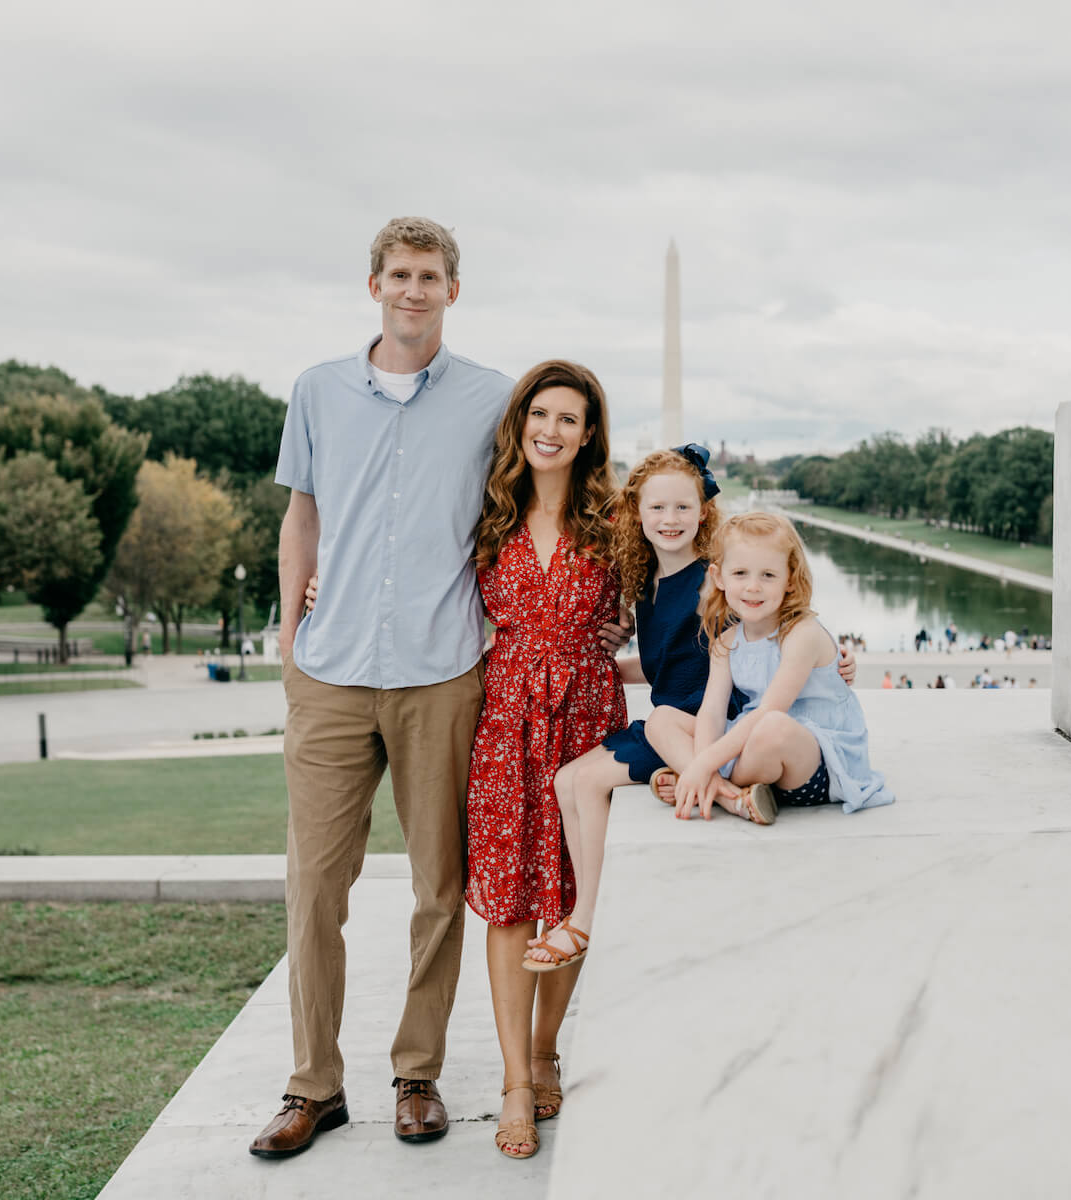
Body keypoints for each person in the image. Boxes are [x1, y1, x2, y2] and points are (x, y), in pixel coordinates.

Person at [257, 218, 625, 1162]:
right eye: (399, 275)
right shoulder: (317, 391)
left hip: (443, 674)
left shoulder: (491, 401)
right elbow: (302, 517)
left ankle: (416, 1074)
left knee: (441, 885)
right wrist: (289, 632)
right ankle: (313, 1085)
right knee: (314, 887)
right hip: (333, 671)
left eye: (430, 277)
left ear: (452, 291)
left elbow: (546, 502)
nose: (413, 291)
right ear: (372, 283)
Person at [536, 445, 861, 973]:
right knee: (566, 780)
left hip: (704, 718)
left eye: (683, 508)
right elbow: (671, 661)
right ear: (636, 514)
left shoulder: (714, 579)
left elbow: (771, 626)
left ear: (703, 512)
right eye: (658, 509)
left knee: (587, 781)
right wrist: (614, 669)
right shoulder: (648, 585)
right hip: (677, 713)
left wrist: (839, 660)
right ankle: (587, 911)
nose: (670, 520)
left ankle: (586, 918)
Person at [463, 360, 625, 1159]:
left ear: (589, 433)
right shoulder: (486, 513)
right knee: (508, 899)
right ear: (520, 422)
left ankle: (545, 1047)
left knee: (567, 893)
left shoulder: (614, 521)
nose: (551, 430)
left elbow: (702, 585)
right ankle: (513, 1084)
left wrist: (811, 651)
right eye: (541, 414)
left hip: (587, 716)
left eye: (569, 418)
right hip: (503, 724)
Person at [673, 512, 894, 822]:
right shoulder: (726, 640)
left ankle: (700, 782)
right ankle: (726, 794)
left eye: (768, 575)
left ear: (790, 579)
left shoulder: (801, 632)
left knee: (771, 726)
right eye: (740, 573)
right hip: (758, 745)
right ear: (719, 577)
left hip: (814, 761)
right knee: (662, 721)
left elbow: (769, 712)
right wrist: (704, 762)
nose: (753, 586)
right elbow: (711, 710)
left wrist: (701, 763)